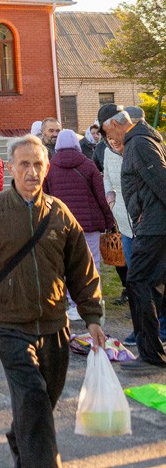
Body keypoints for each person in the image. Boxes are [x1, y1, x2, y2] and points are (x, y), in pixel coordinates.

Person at [0, 134, 105, 468]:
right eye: (24, 164)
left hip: (54, 323)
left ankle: (20, 436)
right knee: (32, 395)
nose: (32, 172)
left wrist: (92, 316)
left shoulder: (60, 214)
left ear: (47, 167)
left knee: (43, 398)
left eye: (38, 164)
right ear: (11, 167)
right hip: (9, 323)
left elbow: (82, 269)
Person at [98, 103, 166, 370]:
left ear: (116, 123)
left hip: (153, 227)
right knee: (152, 285)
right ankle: (152, 350)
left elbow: (161, 182)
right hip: (152, 224)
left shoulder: (138, 144)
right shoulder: (140, 141)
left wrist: (142, 216)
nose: (108, 139)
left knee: (137, 281)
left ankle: (149, 353)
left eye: (107, 131)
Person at [43, 128, 114, 320]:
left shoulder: (49, 168)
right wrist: (109, 220)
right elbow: (101, 197)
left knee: (66, 265)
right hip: (88, 225)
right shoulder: (88, 165)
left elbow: (45, 197)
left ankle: (74, 305)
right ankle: (93, 301)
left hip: (61, 226)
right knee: (92, 263)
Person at [102, 127, 131, 309]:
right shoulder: (106, 151)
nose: (112, 141)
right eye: (109, 138)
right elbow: (106, 176)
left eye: (115, 137)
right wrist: (110, 198)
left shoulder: (136, 149)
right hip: (120, 218)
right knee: (127, 263)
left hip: (141, 218)